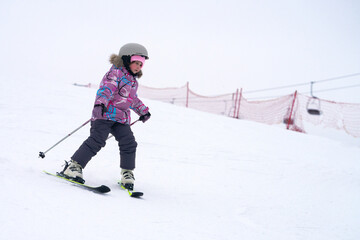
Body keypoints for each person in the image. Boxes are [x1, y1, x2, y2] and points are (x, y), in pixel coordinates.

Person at [59, 43, 151, 190]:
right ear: (127, 59)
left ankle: (127, 173)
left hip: (121, 119)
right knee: (97, 140)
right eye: (136, 62)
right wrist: (100, 104)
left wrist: (143, 111)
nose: (139, 66)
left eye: (141, 64)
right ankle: (74, 166)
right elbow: (106, 90)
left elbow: (132, 100)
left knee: (129, 143)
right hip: (104, 114)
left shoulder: (133, 82)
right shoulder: (115, 73)